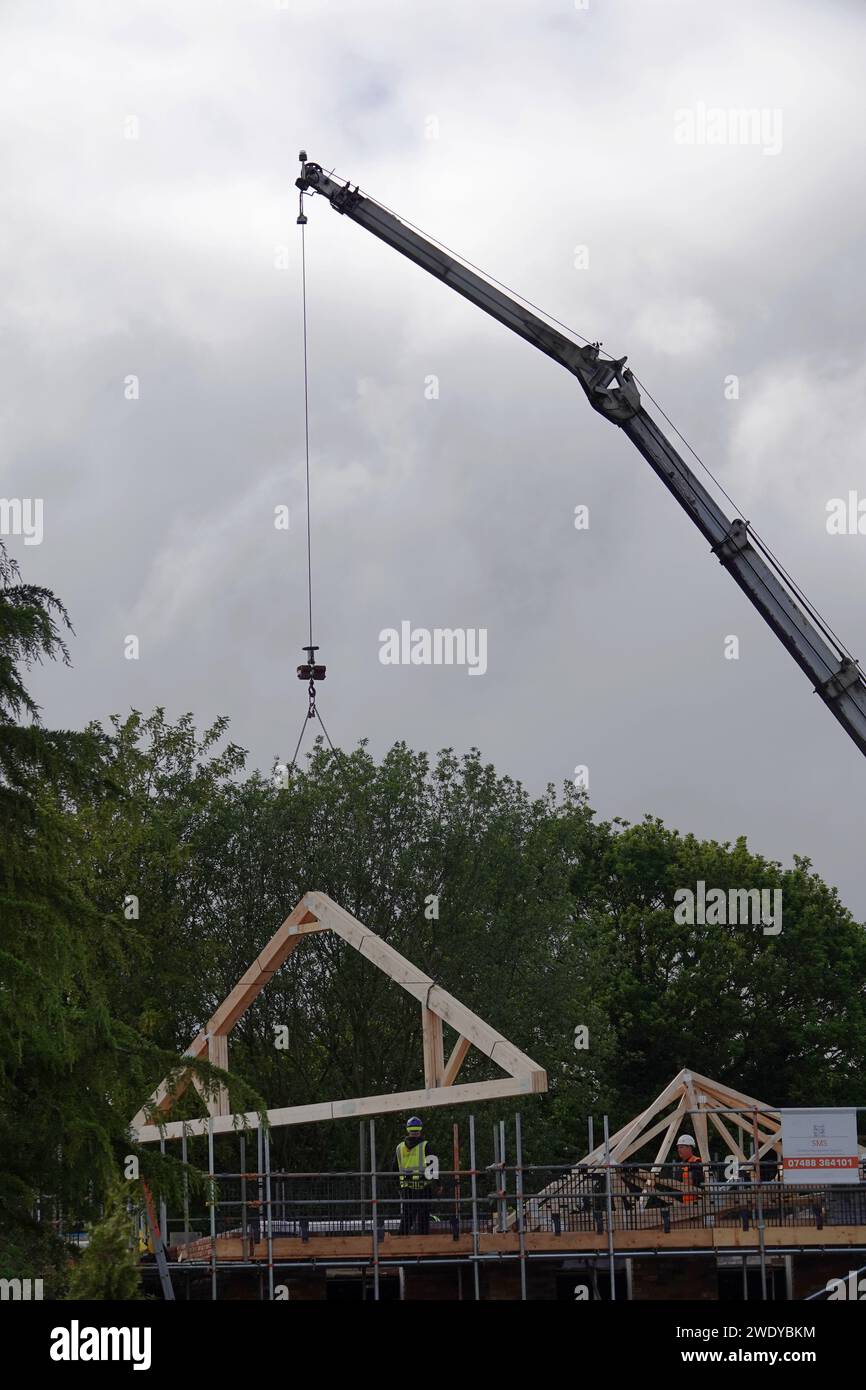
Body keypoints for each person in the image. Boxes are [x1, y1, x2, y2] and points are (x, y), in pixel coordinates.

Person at [394, 1116, 433, 1235]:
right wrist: (438, 1184)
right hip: (423, 1187)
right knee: (423, 1219)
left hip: (407, 1189)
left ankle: (400, 1245)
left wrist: (398, 1187)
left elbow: (393, 1169)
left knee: (407, 1218)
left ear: (408, 1130)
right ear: (420, 1129)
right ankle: (424, 1246)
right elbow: (433, 1166)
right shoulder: (426, 1145)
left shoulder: (399, 1147)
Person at [675, 1135, 705, 1206]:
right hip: (683, 1203)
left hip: (695, 1203)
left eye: (681, 1147)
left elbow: (697, 1181)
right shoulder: (682, 1164)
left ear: (689, 1148)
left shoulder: (696, 1162)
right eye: (678, 1147)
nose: (679, 1150)